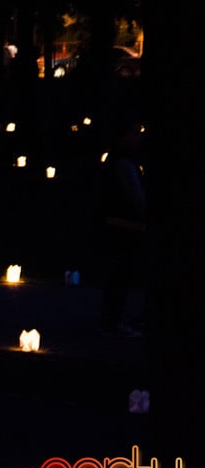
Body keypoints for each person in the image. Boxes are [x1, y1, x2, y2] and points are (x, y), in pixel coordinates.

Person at [98, 117, 147, 336]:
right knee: (120, 276)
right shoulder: (123, 163)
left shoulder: (124, 162)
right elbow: (134, 197)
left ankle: (114, 320)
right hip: (124, 226)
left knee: (121, 277)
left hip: (124, 225)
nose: (138, 139)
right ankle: (114, 322)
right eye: (134, 134)